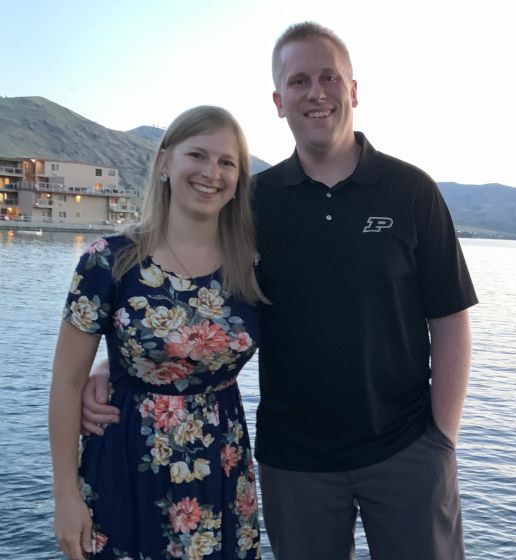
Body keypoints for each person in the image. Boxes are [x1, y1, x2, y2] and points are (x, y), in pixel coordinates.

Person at [81, 22, 478, 560]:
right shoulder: (251, 204)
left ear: (353, 90)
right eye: (298, 81)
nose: (316, 93)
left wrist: (442, 439)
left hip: (407, 449)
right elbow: (193, 297)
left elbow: (450, 318)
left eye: (329, 77)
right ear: (278, 101)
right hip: (295, 462)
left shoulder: (411, 191)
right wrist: (116, 364)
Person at [49, 106, 267, 560]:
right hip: (126, 463)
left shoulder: (252, 267)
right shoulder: (108, 260)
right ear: (164, 163)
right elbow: (67, 381)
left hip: (221, 469)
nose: (211, 173)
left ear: (238, 181)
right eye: (198, 155)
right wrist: (65, 496)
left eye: (227, 162)